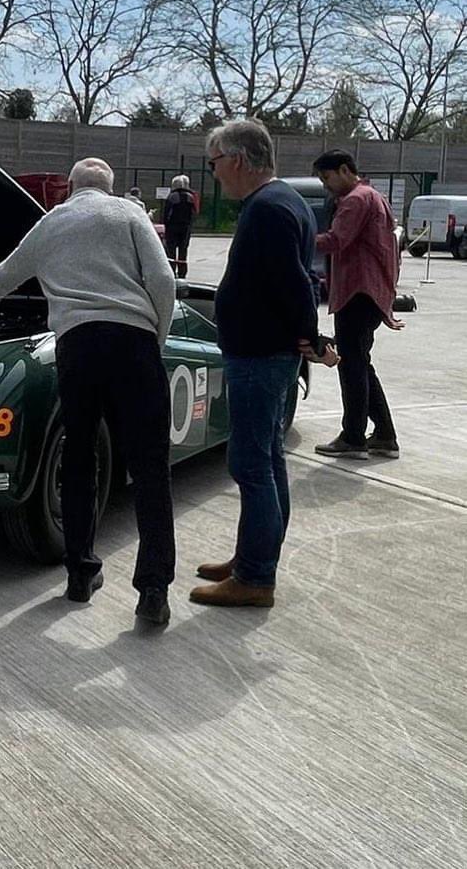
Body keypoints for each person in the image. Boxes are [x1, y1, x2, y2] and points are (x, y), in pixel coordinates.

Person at [0, 157, 177, 626]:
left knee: (80, 458)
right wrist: (153, 340)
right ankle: (153, 590)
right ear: (111, 188)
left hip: (77, 346)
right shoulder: (130, 214)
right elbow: (162, 280)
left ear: (69, 189)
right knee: (150, 468)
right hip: (134, 343)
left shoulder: (52, 221)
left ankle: (80, 574)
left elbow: (6, 273)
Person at [190, 120, 335, 610]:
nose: (213, 175)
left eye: (214, 163)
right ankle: (255, 555)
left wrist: (312, 338)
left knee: (250, 463)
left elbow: (296, 284)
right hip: (267, 351)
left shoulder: (269, 209)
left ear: (238, 159)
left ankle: (255, 576)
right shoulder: (283, 201)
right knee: (267, 460)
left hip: (259, 355)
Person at [306, 149, 402, 459]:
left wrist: (296, 235)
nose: (326, 185)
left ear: (345, 170)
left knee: (352, 365)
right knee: (359, 362)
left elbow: (335, 240)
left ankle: (354, 435)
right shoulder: (372, 196)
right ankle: (384, 435)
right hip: (369, 292)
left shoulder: (356, 199)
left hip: (358, 292)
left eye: (327, 177)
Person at [163, 174, 197, 278]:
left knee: (171, 250)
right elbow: (193, 213)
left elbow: (166, 214)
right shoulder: (190, 197)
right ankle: (182, 272)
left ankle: (172, 271)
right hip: (185, 227)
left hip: (172, 227)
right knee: (183, 250)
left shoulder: (172, 197)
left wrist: (166, 225)